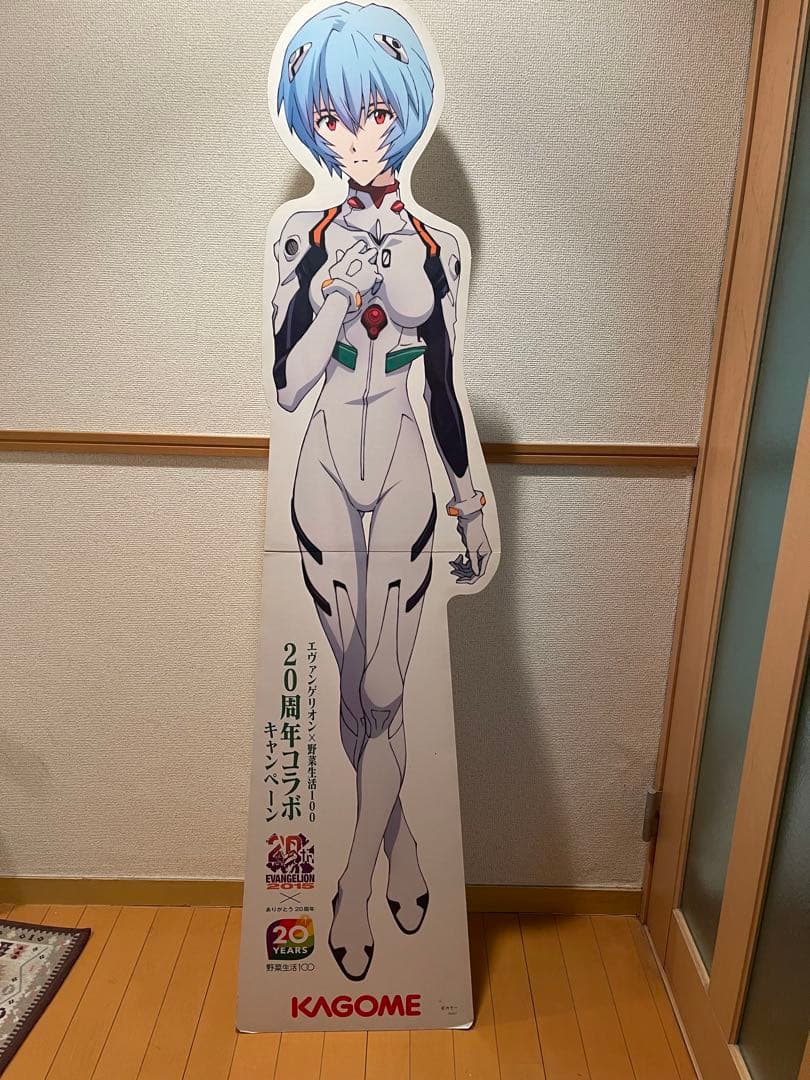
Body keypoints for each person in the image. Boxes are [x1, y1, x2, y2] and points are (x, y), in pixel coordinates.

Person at [269, 1, 495, 981]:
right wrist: (328, 296)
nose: (356, 137)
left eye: (373, 112)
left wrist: (468, 503)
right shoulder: (301, 238)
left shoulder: (437, 249)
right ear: (311, 125)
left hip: (403, 469)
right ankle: (398, 847)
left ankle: (355, 880)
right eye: (331, 118)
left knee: (381, 687)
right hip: (322, 478)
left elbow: (442, 384)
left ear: (403, 113)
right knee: (358, 692)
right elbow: (287, 386)